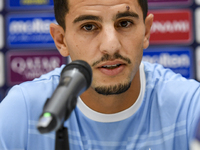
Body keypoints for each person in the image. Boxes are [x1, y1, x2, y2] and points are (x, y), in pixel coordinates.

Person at [0, 0, 200, 149]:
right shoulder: (22, 111)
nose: (111, 46)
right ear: (61, 40)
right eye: (89, 26)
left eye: (124, 23)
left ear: (146, 32)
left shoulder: (190, 107)